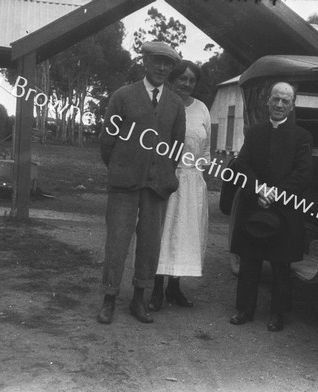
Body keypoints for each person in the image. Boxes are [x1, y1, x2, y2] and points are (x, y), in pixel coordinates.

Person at [97, 42, 186, 324]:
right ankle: (109, 299)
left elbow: (176, 147)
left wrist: (161, 172)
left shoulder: (175, 104)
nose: (162, 67)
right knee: (117, 242)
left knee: (150, 245)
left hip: (157, 186)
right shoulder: (123, 96)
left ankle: (139, 300)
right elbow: (107, 143)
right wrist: (123, 167)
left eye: (168, 64)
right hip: (125, 184)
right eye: (157, 61)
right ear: (145, 61)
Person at [229, 82, 313, 332]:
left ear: (292, 105)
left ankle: (278, 314)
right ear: (268, 101)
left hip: (285, 207)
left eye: (285, 101)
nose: (279, 105)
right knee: (249, 260)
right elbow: (242, 165)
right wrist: (259, 190)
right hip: (255, 203)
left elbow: (303, 174)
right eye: (275, 99)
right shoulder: (255, 132)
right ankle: (244, 309)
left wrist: (275, 194)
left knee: (281, 264)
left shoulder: (302, 137)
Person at [148, 60, 211, 311]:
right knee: (162, 234)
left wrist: (198, 174)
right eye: (182, 79)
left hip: (192, 180)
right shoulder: (163, 105)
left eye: (192, 80)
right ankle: (155, 291)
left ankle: (174, 288)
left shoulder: (203, 109)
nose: (186, 84)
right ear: (172, 80)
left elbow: (205, 150)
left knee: (184, 236)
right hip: (166, 177)